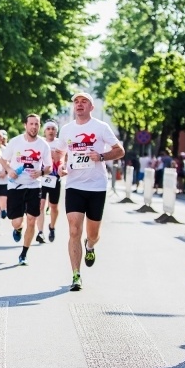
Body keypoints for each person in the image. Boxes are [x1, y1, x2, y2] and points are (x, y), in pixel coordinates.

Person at [58, 92, 124, 291]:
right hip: (74, 186)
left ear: (91, 107)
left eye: (84, 102)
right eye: (76, 102)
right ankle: (76, 275)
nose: (79, 105)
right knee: (73, 229)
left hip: (96, 186)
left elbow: (119, 150)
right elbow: (60, 152)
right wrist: (61, 165)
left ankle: (90, 246)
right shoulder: (67, 129)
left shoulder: (101, 127)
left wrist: (101, 156)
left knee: (93, 233)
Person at [0, 114, 52, 265]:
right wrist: (9, 170)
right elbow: (3, 159)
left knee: (32, 220)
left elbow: (49, 166)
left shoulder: (43, 145)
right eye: (31, 124)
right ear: (25, 125)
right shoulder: (15, 142)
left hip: (34, 186)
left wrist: (41, 172)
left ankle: (24, 253)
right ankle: (18, 229)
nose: (34, 127)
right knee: (17, 221)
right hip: (16, 186)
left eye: (37, 124)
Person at [36, 120, 67, 244]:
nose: (51, 131)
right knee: (41, 205)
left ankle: (52, 227)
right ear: (44, 131)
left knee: (53, 206)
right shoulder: (40, 143)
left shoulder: (59, 144)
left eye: (53, 129)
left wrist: (62, 166)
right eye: (48, 128)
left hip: (54, 178)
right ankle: (40, 232)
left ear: (56, 131)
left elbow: (63, 158)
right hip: (42, 178)